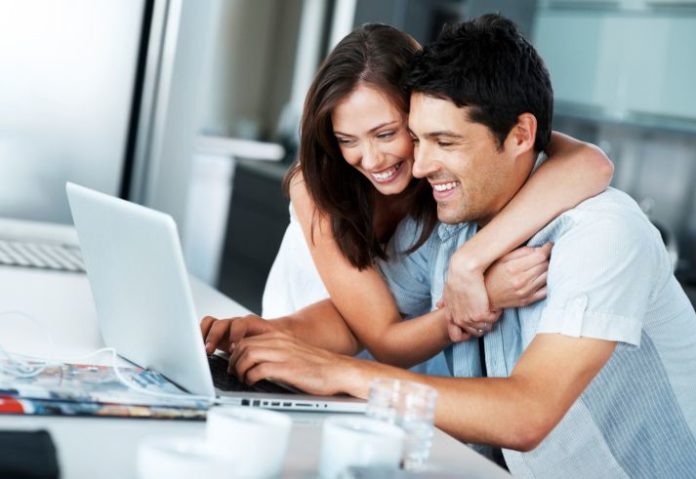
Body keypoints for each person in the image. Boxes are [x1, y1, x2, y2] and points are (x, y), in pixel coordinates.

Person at [223, 15, 696, 477]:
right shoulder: (452, 223)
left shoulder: (602, 235)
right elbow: (362, 321)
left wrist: (340, 374)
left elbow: (526, 412)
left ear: (520, 135)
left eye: (444, 142)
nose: (422, 165)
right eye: (418, 138)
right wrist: (254, 337)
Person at [201, 24, 613, 372]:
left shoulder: (448, 184)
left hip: (396, 368)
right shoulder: (320, 188)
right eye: (347, 140)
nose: (372, 159)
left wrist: (469, 264)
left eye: (386, 134)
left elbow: (590, 163)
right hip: (310, 340)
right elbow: (371, 331)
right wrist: (259, 333)